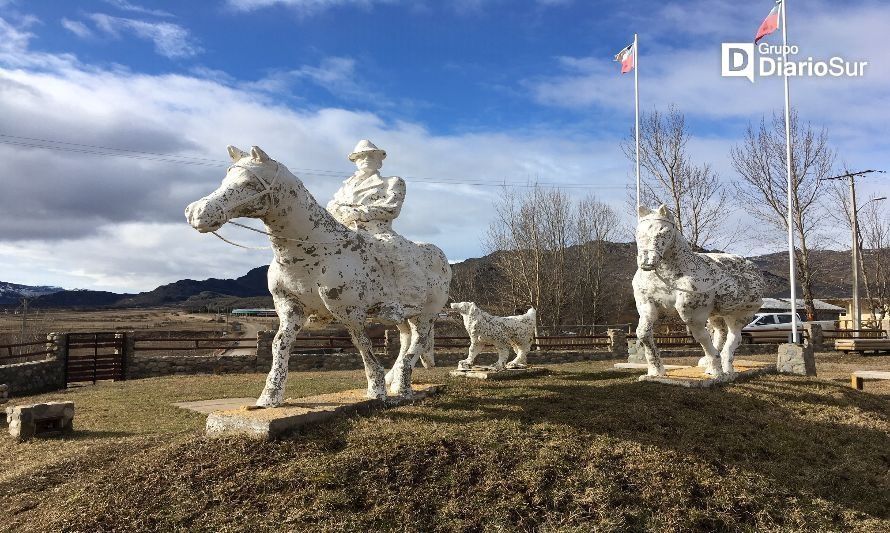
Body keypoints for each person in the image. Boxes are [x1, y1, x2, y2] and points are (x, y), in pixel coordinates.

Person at [326, 140, 406, 236]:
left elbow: (391, 209)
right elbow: (331, 207)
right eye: (361, 156)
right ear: (356, 161)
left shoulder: (392, 182)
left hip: (377, 234)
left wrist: (357, 213)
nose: (366, 158)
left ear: (379, 161)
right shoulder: (346, 186)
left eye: (371, 155)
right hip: (342, 232)